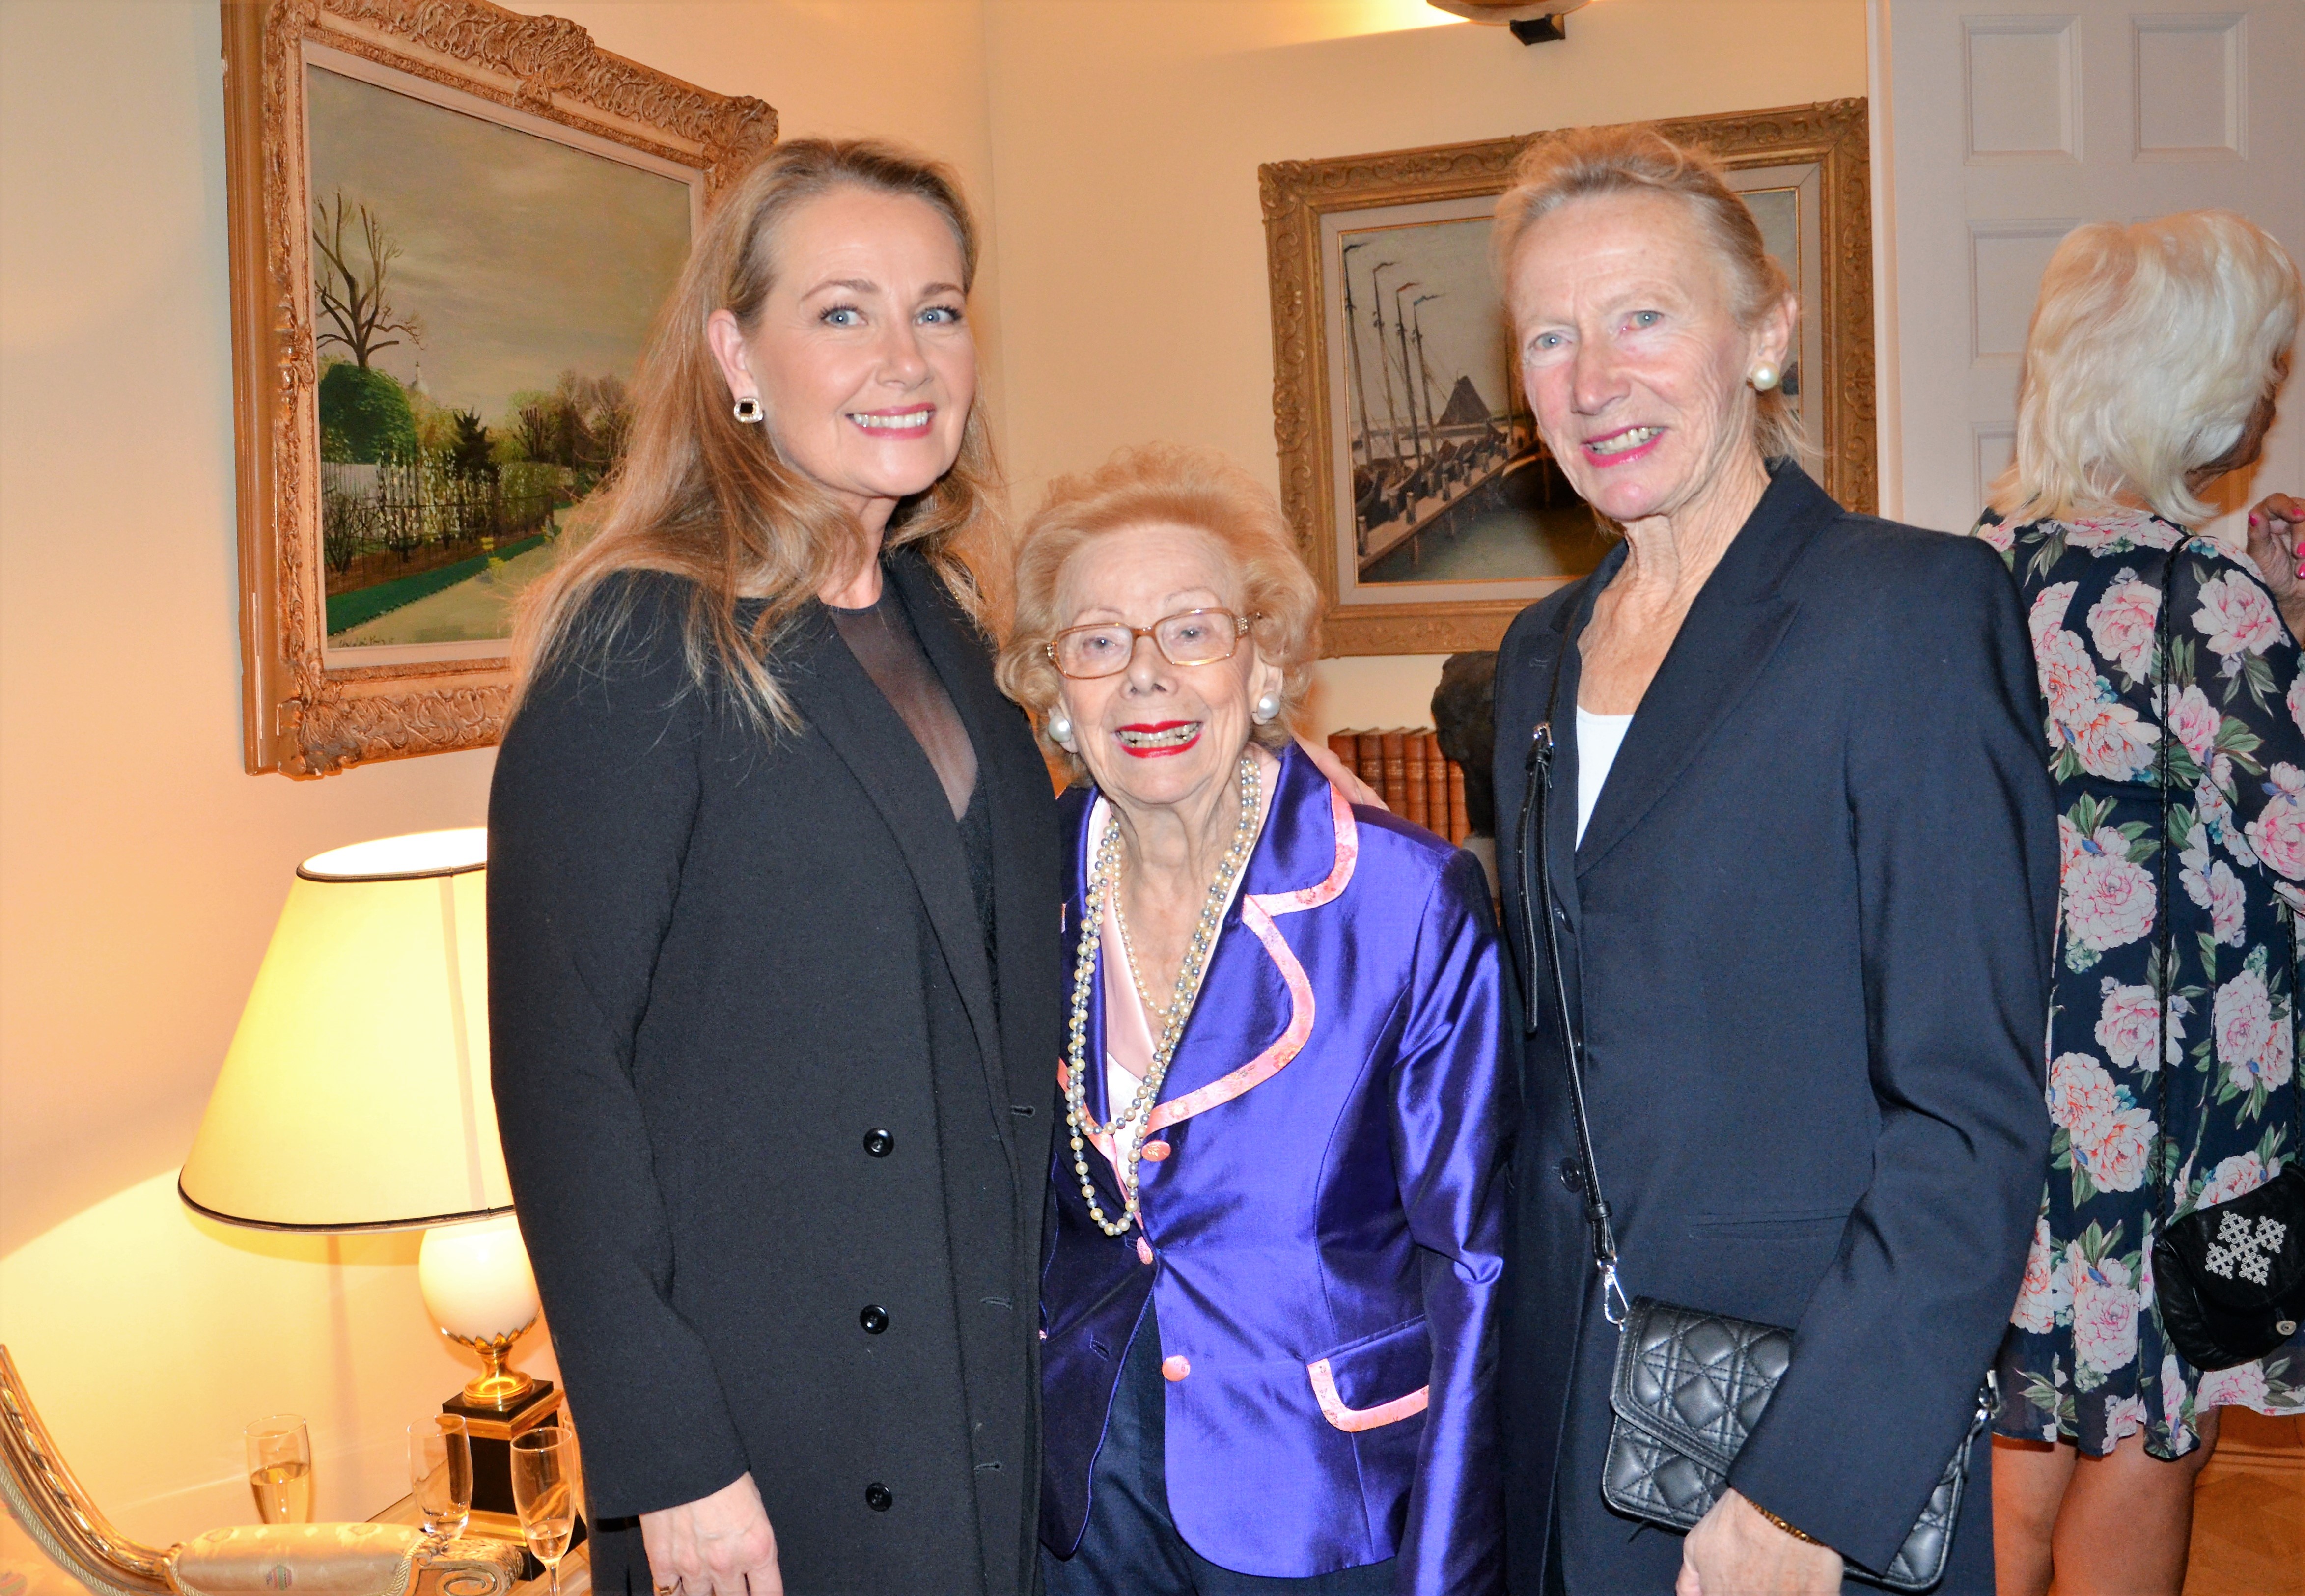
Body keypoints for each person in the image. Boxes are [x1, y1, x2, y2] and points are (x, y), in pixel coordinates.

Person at [487, 139, 1065, 1596]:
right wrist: (668, 1456)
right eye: (842, 311)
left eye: (938, 310)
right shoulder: (642, 634)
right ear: (736, 355)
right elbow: (560, 1074)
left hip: (972, 1376)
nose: (905, 358)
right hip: (765, 1426)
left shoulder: (949, 618)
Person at [1486, 125, 2058, 1595]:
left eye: (1642, 317)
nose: (1591, 380)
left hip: (1802, 1429)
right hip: (1569, 1419)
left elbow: (1967, 1113)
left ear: (1764, 334)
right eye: (1548, 337)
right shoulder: (1536, 655)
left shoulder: (1907, 613)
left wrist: (1806, 1497)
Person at [995, 444, 1508, 1595]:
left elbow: (1473, 1263)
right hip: (1084, 1493)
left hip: (1323, 1497)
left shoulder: (1403, 902)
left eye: (1190, 630)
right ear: (1055, 691)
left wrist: (1450, 1570)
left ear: (1262, 661)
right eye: (1097, 642)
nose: (1145, 677)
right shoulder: (1018, 890)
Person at [1974, 210, 2304, 1596]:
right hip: (2179, 1110)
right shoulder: (2198, 596)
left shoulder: (1970, 567)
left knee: (2021, 1424)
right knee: (2155, 1423)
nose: (2266, 397)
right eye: (2260, 365)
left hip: (2010, 1081)